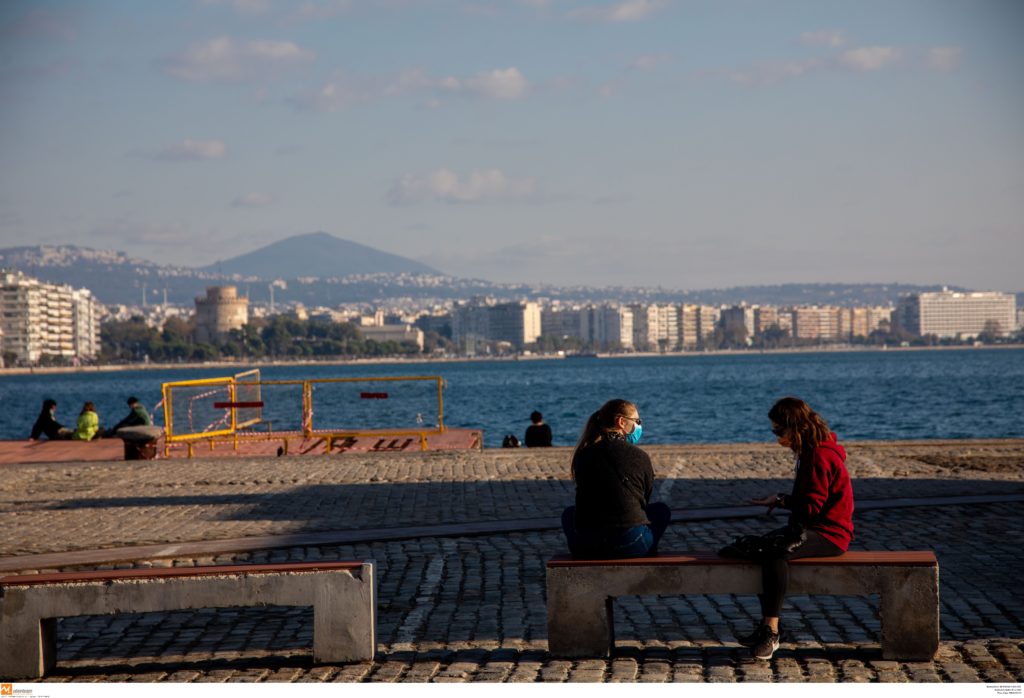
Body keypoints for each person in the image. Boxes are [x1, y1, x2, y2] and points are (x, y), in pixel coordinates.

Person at [737, 396, 854, 660]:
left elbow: (812, 507)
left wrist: (782, 501)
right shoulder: (811, 451)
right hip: (815, 528)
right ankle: (767, 626)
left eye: (779, 430)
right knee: (754, 547)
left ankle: (771, 630)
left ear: (796, 427)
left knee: (774, 553)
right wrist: (779, 500)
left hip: (831, 534)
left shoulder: (820, 456)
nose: (777, 437)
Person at [561, 399, 670, 558]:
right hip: (629, 542)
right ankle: (646, 550)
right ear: (621, 422)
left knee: (569, 514)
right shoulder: (640, 457)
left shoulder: (583, 455)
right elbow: (644, 500)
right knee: (661, 511)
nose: (639, 426)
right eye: (637, 421)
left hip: (586, 545)